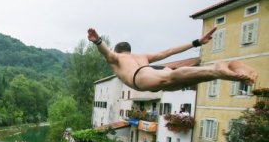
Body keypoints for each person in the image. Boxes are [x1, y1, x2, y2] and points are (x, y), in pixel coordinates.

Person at [87, 27, 257, 92]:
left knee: (172, 78)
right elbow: (169, 51)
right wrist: (197, 42)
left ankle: (216, 69)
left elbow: (106, 53)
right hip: (155, 71)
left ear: (118, 50)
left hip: (141, 77)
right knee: (180, 80)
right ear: (130, 50)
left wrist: (98, 41)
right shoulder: (142, 56)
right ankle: (221, 71)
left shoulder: (117, 58)